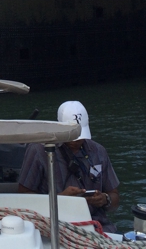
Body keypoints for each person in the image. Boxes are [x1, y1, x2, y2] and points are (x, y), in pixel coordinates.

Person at [18, 100, 120, 233]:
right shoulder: (38, 151)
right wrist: (60, 199)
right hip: (54, 225)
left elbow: (115, 196)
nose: (76, 140)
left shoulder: (98, 151)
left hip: (97, 225)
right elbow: (23, 197)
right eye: (72, 135)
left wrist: (105, 199)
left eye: (79, 135)